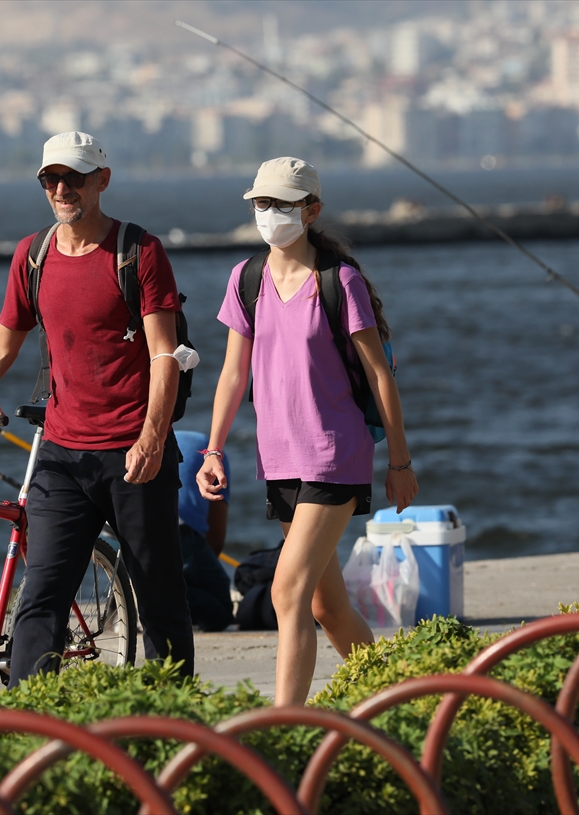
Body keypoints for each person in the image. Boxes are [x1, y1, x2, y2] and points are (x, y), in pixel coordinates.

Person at [0, 131, 195, 685]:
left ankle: (173, 724)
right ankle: (28, 724)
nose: (60, 189)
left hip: (134, 454)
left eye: (72, 178)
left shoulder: (139, 252)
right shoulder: (33, 256)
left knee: (160, 601)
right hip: (61, 455)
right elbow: (2, 346)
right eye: (49, 179)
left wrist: (153, 436)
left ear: (101, 180)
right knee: (41, 598)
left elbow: (164, 353)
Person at [196, 157, 419, 706]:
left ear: (311, 210)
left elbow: (378, 374)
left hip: (335, 456)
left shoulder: (338, 281)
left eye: (281, 204)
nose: (269, 214)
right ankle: (400, 697)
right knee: (327, 606)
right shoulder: (246, 280)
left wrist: (399, 462)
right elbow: (231, 374)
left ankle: (284, 725)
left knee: (286, 591)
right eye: (261, 204)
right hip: (280, 462)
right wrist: (213, 449)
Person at [175, 429, 234, 632]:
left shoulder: (150, 439)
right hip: (179, 531)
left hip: (117, 526)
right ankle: (157, 595)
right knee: (222, 610)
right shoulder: (211, 453)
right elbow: (216, 536)